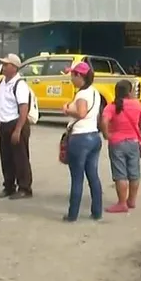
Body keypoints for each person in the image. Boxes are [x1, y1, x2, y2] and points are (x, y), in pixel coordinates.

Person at [62, 62, 103, 222]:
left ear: (80, 76)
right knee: (93, 175)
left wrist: (67, 110)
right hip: (93, 136)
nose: (71, 79)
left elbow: (81, 113)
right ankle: (97, 211)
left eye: (73, 75)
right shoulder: (95, 92)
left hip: (80, 138)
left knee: (77, 178)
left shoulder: (82, 95)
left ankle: (73, 214)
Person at [0, 53, 33, 199]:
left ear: (14, 67)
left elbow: (23, 108)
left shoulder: (20, 85)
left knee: (20, 158)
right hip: (4, 123)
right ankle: (9, 186)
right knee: (6, 158)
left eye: (6, 65)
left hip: (16, 123)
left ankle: (25, 188)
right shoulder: (2, 82)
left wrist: (18, 130)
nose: (3, 67)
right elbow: (0, 104)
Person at [100, 80, 141, 213]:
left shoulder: (112, 107)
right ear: (129, 92)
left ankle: (122, 203)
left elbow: (104, 121)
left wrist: (106, 134)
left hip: (117, 143)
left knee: (120, 174)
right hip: (133, 142)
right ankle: (132, 201)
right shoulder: (136, 104)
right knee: (134, 172)